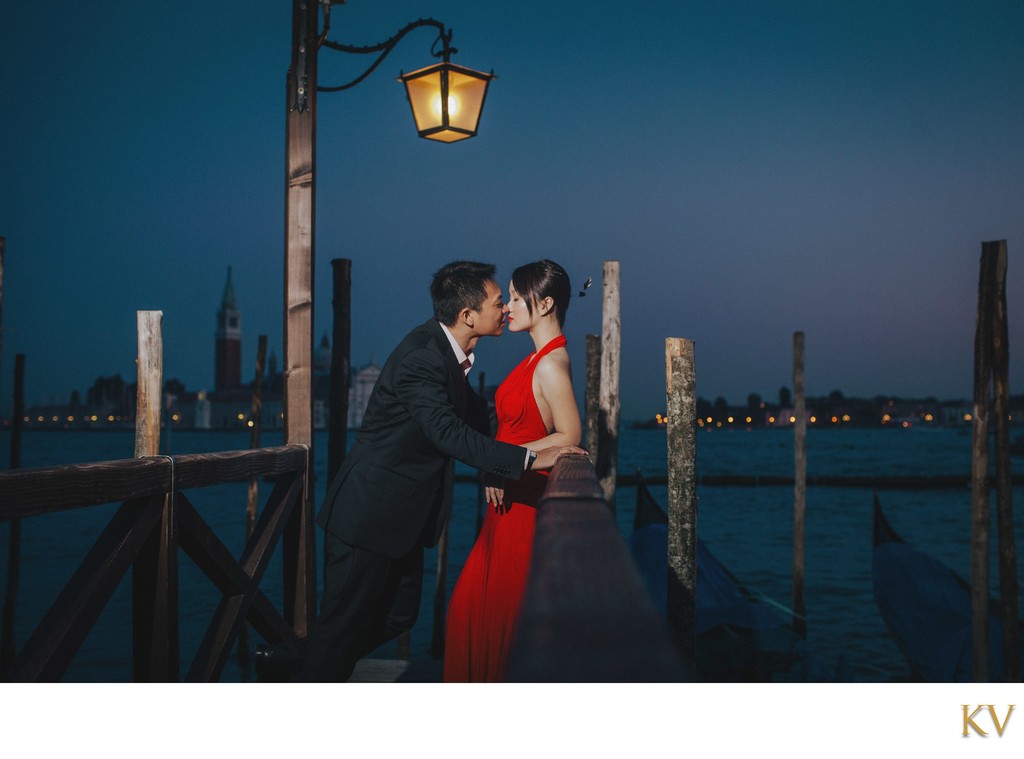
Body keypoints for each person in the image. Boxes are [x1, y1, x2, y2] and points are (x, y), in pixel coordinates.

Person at [255, 260, 583, 682]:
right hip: (368, 516)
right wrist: (528, 460)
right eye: (500, 302)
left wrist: (507, 454)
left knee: (398, 617)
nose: (506, 309)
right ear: (468, 315)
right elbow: (448, 432)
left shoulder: (450, 354)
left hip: (402, 519)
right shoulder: (423, 357)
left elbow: (474, 415)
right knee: (340, 632)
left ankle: (292, 660)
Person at [443, 259, 582, 682]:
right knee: (471, 611)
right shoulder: (535, 360)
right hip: (505, 509)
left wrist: (501, 463)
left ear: (546, 305)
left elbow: (570, 434)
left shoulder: (550, 364)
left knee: (488, 617)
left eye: (518, 298)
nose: (508, 308)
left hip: (523, 508)